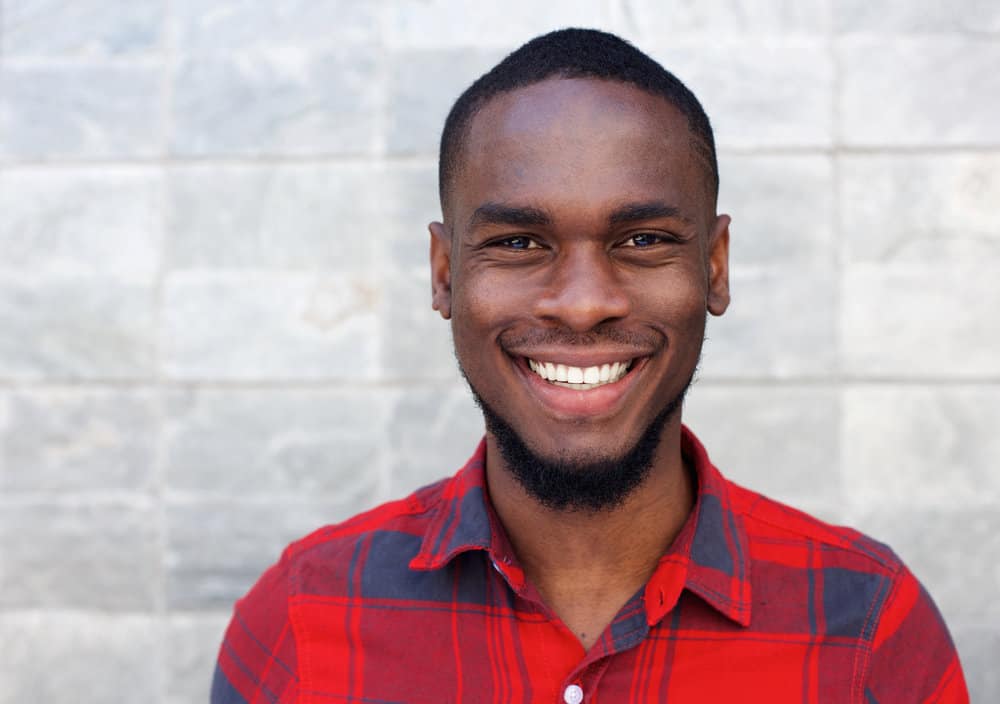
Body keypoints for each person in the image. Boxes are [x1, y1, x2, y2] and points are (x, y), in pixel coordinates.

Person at [211, 28, 968, 703]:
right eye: (518, 243)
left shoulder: (868, 626)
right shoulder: (302, 622)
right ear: (444, 274)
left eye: (641, 240)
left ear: (714, 267)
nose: (582, 306)